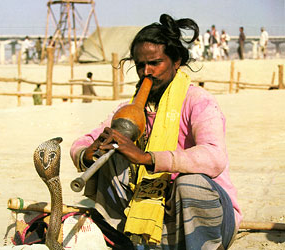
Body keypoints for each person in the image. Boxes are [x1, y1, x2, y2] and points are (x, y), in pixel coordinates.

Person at [70, 13, 241, 249]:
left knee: (190, 184)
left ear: (176, 61)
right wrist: (88, 154)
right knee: (111, 158)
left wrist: (148, 158)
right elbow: (83, 142)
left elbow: (214, 157)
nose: (146, 72)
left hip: (207, 218)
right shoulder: (129, 109)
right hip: (156, 220)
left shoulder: (198, 101)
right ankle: (130, 239)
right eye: (140, 65)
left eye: (155, 63)